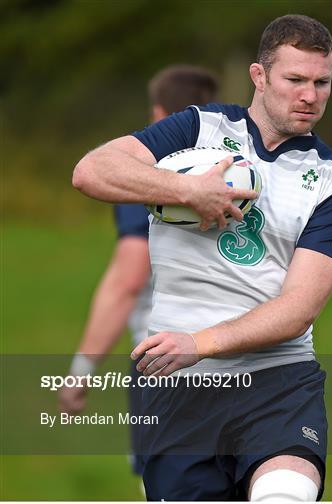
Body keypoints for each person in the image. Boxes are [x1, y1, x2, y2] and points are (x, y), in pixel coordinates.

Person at [72, 14, 332, 501]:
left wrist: (200, 343)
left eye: (322, 82)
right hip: (176, 385)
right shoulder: (198, 128)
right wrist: (189, 190)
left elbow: (299, 310)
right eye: (295, 80)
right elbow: (91, 171)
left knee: (286, 494)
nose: (310, 96)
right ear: (259, 76)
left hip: (277, 383)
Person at [58, 65, 219, 475]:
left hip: (166, 358)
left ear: (160, 116)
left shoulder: (152, 176)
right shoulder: (241, 171)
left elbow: (128, 280)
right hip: (247, 356)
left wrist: (81, 371)